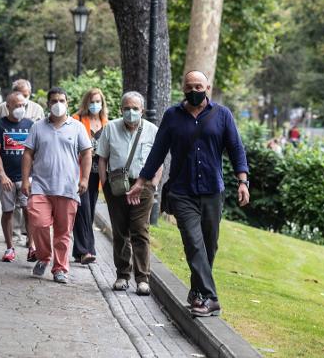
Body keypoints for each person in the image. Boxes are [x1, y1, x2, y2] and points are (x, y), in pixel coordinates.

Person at [127, 70, 250, 317]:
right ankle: (212, 298)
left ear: (208, 87)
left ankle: (198, 293)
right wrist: (142, 180)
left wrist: (243, 181)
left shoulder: (222, 115)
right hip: (182, 191)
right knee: (194, 243)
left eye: (199, 86)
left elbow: (236, 147)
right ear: (182, 88)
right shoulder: (173, 116)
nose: (194, 91)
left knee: (208, 246)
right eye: (189, 87)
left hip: (213, 191)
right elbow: (158, 151)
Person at [22, 87, 92, 284]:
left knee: (63, 232)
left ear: (67, 103)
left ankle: (60, 268)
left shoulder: (77, 127)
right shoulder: (38, 127)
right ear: (48, 104)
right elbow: (28, 153)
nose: (58, 104)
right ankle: (44, 256)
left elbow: (87, 153)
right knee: (39, 223)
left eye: (62, 100)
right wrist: (25, 179)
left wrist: (84, 179)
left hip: (67, 188)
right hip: (40, 187)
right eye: (54, 100)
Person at [97, 91, 160, 296]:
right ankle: (122, 275)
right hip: (117, 186)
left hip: (143, 187)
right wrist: (105, 186)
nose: (131, 112)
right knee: (120, 231)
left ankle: (142, 279)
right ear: (121, 109)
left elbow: (159, 161)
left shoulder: (152, 131)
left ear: (142, 110)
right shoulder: (110, 128)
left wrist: (153, 185)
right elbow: (102, 158)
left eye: (135, 108)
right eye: (127, 108)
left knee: (140, 230)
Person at [0, 91, 35, 262]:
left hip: (26, 178)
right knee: (8, 212)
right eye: (16, 105)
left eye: (23, 105)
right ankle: (10, 247)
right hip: (6, 179)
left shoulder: (30, 124)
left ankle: (32, 246)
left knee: (29, 211)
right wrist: (2, 175)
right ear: (8, 106)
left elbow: (34, 152)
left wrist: (30, 177)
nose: (20, 108)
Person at [71, 88, 108, 264]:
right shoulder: (76, 120)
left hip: (97, 175)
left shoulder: (106, 123)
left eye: (98, 102)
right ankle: (86, 250)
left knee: (89, 212)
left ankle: (80, 250)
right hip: (80, 172)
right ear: (86, 102)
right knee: (83, 209)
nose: (95, 105)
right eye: (92, 101)